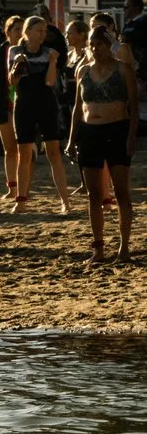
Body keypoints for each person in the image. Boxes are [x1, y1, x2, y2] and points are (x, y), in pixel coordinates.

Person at [67, 20, 137, 264]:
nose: (96, 48)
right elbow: (77, 108)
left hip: (117, 130)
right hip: (90, 132)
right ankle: (98, 247)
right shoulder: (83, 70)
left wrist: (131, 136)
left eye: (100, 44)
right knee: (94, 194)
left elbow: (134, 106)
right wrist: (71, 138)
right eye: (92, 44)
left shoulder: (123, 69)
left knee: (121, 192)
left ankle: (124, 247)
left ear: (110, 46)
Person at [8, 15, 72, 216]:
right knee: (24, 152)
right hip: (24, 104)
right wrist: (16, 66)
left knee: (53, 152)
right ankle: (21, 200)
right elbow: (12, 82)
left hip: (46, 104)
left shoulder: (49, 53)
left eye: (45, 31)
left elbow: (50, 82)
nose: (43, 35)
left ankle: (65, 201)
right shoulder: (15, 51)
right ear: (27, 32)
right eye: (39, 31)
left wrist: (53, 62)